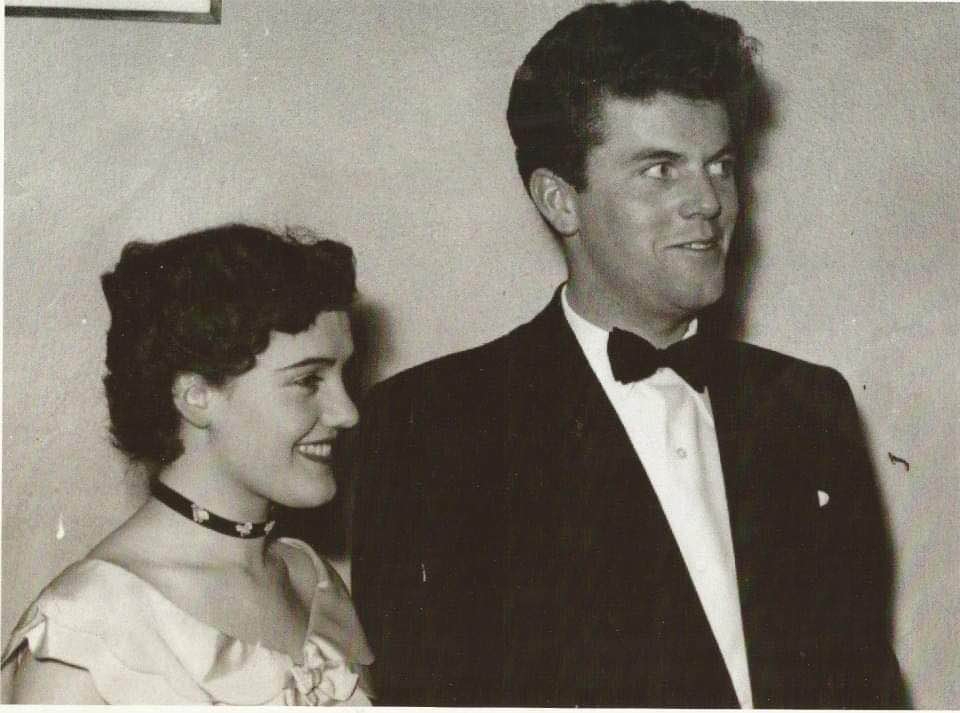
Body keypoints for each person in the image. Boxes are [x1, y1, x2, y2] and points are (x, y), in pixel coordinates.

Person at [350, 1, 906, 707]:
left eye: (720, 165)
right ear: (559, 201)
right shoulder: (432, 424)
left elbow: (865, 680)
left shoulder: (809, 402)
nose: (708, 202)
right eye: (660, 169)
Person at [2, 224, 374, 705]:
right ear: (196, 395)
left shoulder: (312, 581)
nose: (348, 413)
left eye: (344, 375)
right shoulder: (83, 640)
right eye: (308, 381)